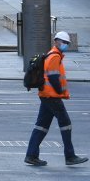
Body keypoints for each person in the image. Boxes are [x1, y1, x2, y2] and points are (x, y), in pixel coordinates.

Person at [25, 31, 88, 166]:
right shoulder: (54, 56)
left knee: (41, 126)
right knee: (66, 124)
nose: (65, 45)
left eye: (67, 43)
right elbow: (53, 77)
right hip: (52, 96)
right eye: (63, 42)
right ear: (56, 41)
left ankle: (31, 155)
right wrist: (60, 91)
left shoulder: (53, 55)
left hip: (46, 95)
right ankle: (70, 156)